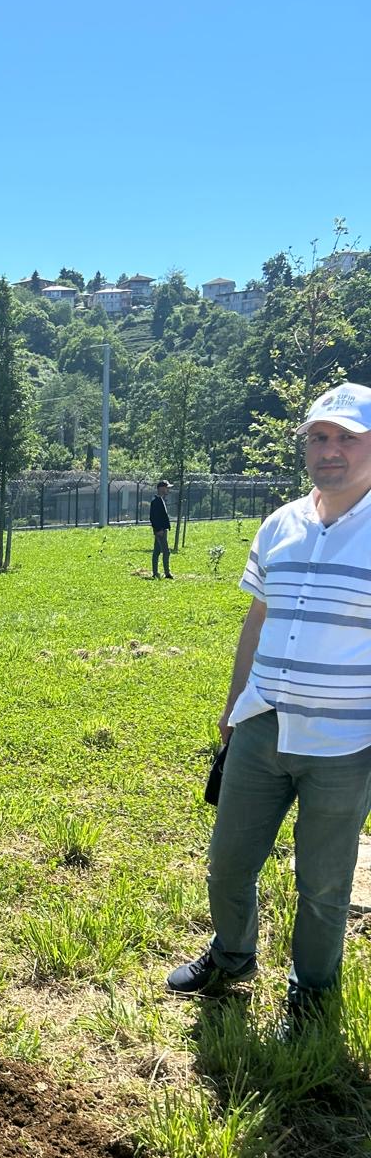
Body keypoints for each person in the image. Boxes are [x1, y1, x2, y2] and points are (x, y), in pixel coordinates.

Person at [167, 382, 371, 1027]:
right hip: (261, 725)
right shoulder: (279, 523)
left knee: (324, 883)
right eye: (319, 436)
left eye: (347, 437)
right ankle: (232, 955)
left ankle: (311, 990)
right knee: (227, 861)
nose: (330, 450)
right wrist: (232, 714)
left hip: (345, 742)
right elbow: (257, 621)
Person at [150, 480, 173, 579]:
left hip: (163, 530)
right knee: (166, 551)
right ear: (161, 488)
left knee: (156, 551)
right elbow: (153, 517)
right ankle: (167, 573)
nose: (168, 489)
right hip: (160, 531)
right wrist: (159, 529)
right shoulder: (156, 501)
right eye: (166, 487)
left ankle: (155, 572)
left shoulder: (161, 500)